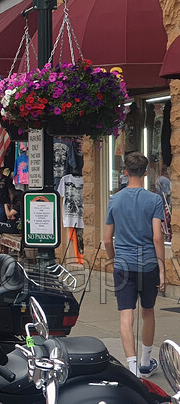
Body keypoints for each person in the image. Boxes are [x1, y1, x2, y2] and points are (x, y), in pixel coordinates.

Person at [104, 152, 166, 378]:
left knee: (125, 314)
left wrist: (113, 260)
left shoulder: (115, 199)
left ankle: (131, 370)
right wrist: (161, 268)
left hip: (123, 263)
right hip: (148, 263)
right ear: (146, 172)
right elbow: (158, 237)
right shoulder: (154, 200)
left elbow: (107, 239)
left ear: (125, 172)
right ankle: (145, 362)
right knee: (148, 311)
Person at [0, 187, 24, 255]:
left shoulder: (19, 205)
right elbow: (10, 216)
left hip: (13, 227)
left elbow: (8, 215)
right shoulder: (13, 206)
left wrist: (5, 205)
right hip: (9, 225)